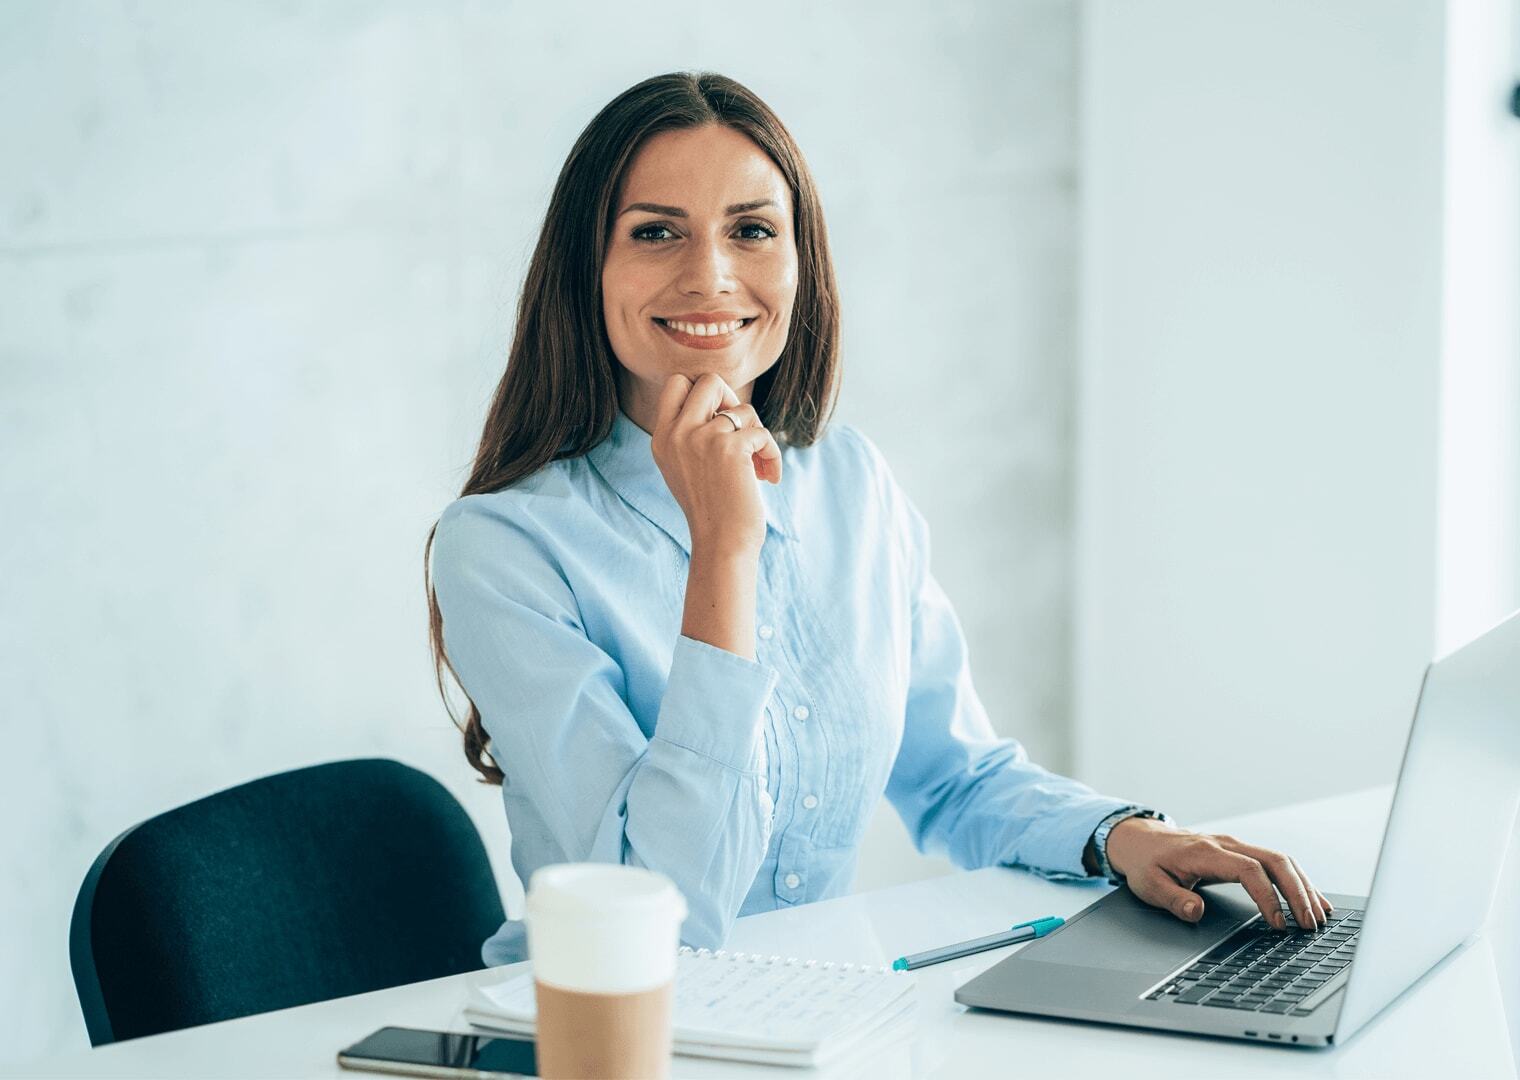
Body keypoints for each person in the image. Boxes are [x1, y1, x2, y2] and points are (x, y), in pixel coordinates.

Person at [423, 71, 1331, 967]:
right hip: (597, 1037)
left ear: (800, 260)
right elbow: (664, 915)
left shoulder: (850, 483)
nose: (710, 275)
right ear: (587, 268)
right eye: (656, 232)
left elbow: (956, 775)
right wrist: (726, 551)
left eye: (752, 231)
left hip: (813, 1018)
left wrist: (1121, 835)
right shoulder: (504, 549)